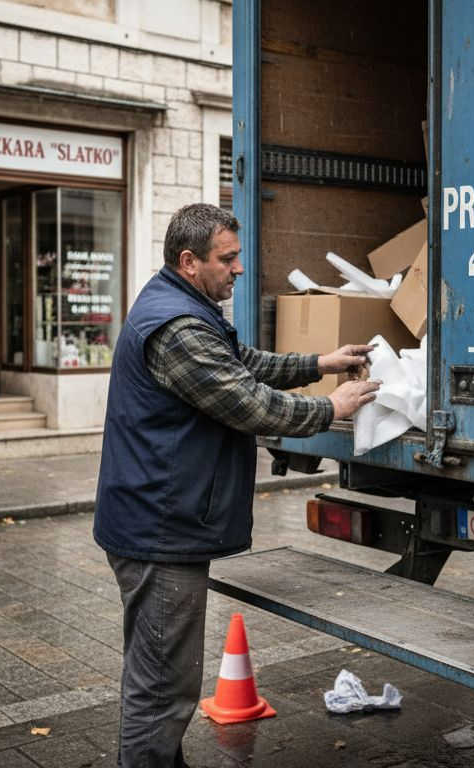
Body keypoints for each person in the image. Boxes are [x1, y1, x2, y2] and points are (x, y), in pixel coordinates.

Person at [94, 203, 381, 767]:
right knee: (163, 689)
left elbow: (241, 362)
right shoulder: (177, 328)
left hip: (159, 520)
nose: (239, 269)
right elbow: (250, 404)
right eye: (227, 259)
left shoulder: (182, 305)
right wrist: (332, 407)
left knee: (159, 677)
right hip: (160, 530)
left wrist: (319, 362)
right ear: (189, 261)